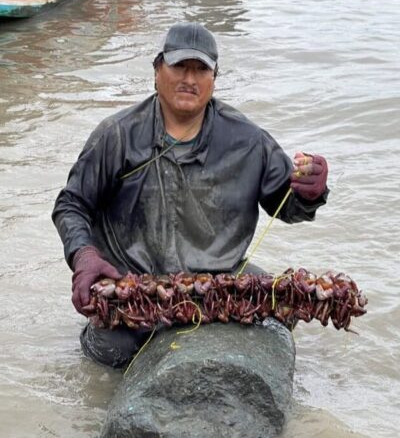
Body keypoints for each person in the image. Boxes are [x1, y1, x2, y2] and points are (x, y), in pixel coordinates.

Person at [52, 21, 329, 368]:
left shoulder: (249, 140)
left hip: (219, 277)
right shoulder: (117, 135)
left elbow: (286, 205)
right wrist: (83, 256)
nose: (189, 78)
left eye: (201, 69)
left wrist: (311, 190)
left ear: (215, 78)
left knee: (282, 306)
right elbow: (71, 204)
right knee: (109, 353)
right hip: (135, 286)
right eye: (179, 66)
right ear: (157, 70)